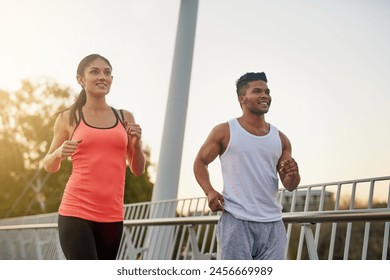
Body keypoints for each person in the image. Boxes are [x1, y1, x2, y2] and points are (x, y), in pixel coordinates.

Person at [43, 54, 146, 260]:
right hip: (76, 211)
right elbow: (49, 165)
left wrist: (136, 145)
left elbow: (137, 169)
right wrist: (58, 153)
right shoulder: (68, 117)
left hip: (112, 215)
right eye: (95, 71)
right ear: (80, 79)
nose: (103, 77)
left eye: (107, 72)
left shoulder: (125, 117)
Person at [193, 72, 300, 260]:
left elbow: (290, 184)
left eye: (267, 91)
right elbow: (200, 162)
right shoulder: (224, 131)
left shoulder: (281, 139)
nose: (265, 95)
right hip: (237, 221)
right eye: (257, 91)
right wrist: (209, 191)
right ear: (242, 99)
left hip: (273, 224)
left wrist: (293, 174)